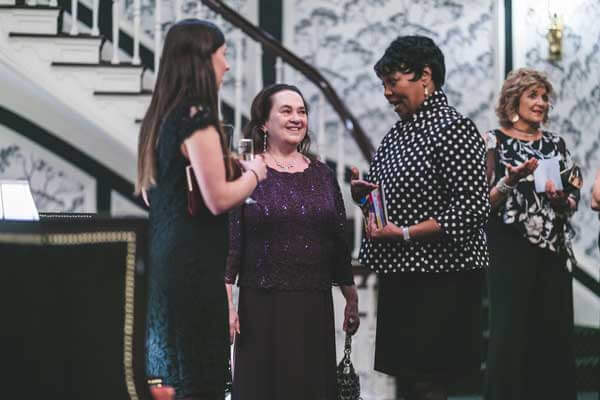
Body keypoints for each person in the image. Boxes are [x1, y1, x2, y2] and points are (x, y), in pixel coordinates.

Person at [351, 36, 490, 400]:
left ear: (424, 75)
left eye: (392, 82)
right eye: (383, 84)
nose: (386, 93)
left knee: (430, 383)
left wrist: (407, 233)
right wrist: (365, 199)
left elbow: (473, 207)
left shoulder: (454, 128)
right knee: (406, 380)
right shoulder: (397, 134)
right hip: (402, 274)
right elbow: (391, 200)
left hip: (442, 278)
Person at [136, 19, 267, 399]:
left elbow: (153, 196)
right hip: (194, 267)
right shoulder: (198, 119)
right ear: (202, 60)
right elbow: (219, 198)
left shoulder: (160, 119)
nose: (226, 65)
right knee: (199, 376)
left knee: (171, 373)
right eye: (223, 55)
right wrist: (256, 173)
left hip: (164, 263)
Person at [225, 83, 359, 400]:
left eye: (301, 111)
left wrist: (350, 296)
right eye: (286, 111)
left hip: (314, 305)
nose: (297, 118)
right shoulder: (246, 171)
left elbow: (338, 242)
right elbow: (231, 245)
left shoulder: (323, 174)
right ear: (263, 123)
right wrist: (226, 303)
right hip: (262, 306)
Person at [484, 68, 579, 400]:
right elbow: (484, 202)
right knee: (510, 336)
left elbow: (572, 200)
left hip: (552, 253)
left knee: (554, 337)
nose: (541, 103)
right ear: (514, 99)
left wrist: (560, 198)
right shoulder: (493, 140)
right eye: (532, 95)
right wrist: (511, 179)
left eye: (544, 97)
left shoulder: (556, 143)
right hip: (510, 252)